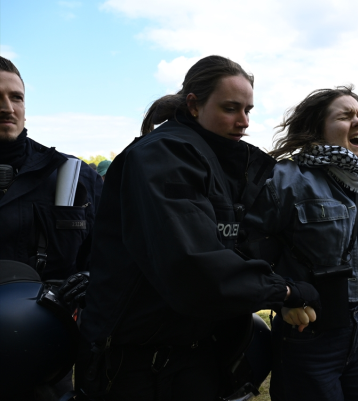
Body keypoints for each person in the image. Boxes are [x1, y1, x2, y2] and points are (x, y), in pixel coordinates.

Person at [77, 55, 319, 401]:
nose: (244, 122)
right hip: (140, 360)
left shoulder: (216, 160)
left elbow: (237, 244)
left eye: (248, 110)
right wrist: (286, 292)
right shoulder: (163, 155)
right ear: (194, 105)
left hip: (196, 351)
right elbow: (194, 264)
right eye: (231, 108)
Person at [242, 86, 358, 401]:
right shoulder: (286, 180)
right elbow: (246, 249)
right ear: (318, 129)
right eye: (345, 116)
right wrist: (282, 299)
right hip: (307, 335)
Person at [0, 56, 103, 400]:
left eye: (16, 97)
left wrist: (92, 280)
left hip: (47, 356)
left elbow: (111, 253)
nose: (7, 108)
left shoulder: (72, 176)